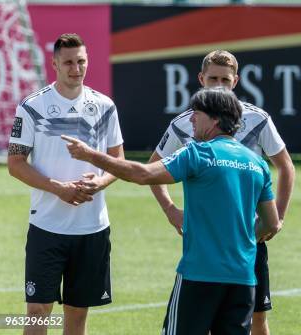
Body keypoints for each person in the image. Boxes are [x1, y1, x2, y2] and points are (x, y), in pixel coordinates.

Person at [62, 88, 282, 335]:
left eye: (196, 114)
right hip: (243, 278)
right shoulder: (258, 164)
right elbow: (272, 224)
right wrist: (242, 240)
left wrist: (90, 155)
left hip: (199, 275)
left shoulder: (198, 153)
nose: (191, 119)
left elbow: (143, 174)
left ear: (215, 119)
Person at [150, 50, 294, 335]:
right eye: (213, 78)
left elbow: (285, 166)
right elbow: (154, 167)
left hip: (247, 234)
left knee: (256, 319)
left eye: (225, 79)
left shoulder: (257, 119)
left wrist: (276, 219)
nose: (219, 85)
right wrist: (170, 210)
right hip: (207, 240)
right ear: (201, 79)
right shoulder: (186, 123)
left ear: (236, 80)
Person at [7, 33, 124, 335]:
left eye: (81, 61)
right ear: (54, 64)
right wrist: (57, 187)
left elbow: (118, 161)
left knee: (76, 316)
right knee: (36, 312)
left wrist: (100, 182)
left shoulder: (105, 106)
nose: (76, 68)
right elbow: (16, 164)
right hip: (47, 228)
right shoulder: (32, 107)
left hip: (91, 228)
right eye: (69, 62)